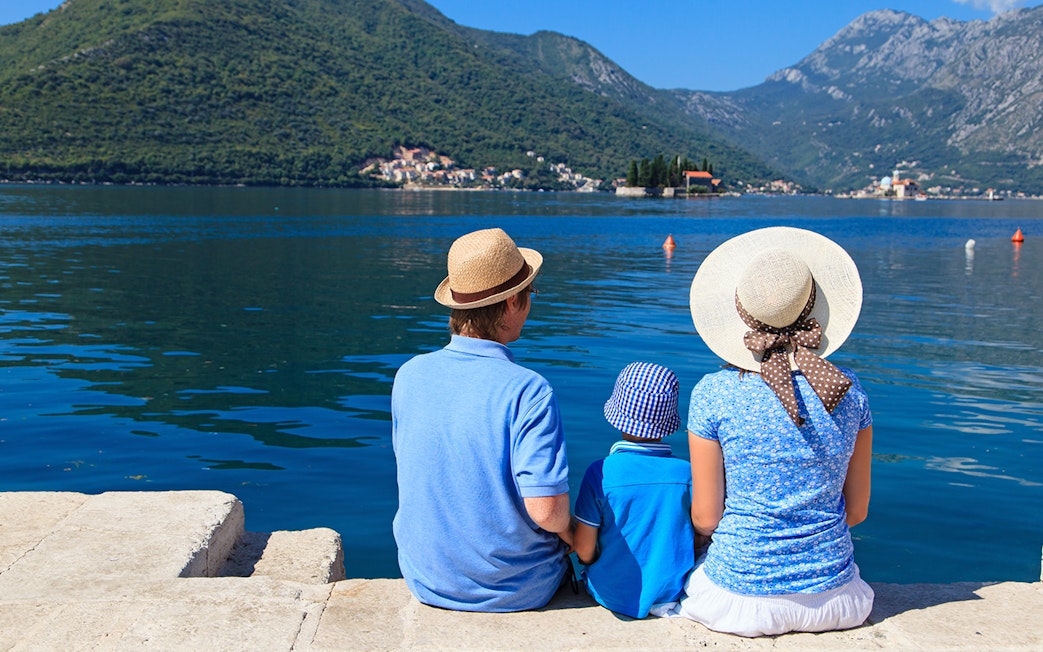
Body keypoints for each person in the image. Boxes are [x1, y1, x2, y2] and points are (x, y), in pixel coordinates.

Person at [670, 226, 874, 636]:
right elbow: (856, 512)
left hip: (740, 598)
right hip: (837, 600)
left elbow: (707, 518)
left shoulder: (713, 394)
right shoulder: (848, 392)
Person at [391, 227, 573, 613]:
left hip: (425, 578)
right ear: (510, 303)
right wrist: (576, 534)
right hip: (515, 587)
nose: (529, 305)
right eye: (530, 296)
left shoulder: (409, 374)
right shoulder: (529, 390)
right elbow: (548, 513)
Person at [573, 361, 699, 619]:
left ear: (617, 413)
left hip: (609, 594)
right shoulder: (689, 473)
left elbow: (584, 549)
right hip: (672, 593)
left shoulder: (601, 473)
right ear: (669, 419)